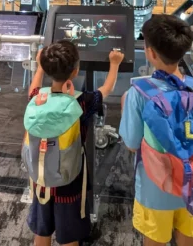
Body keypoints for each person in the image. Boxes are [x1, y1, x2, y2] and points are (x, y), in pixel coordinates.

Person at [119, 15, 193, 246]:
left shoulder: (138, 93)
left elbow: (131, 144)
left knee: (154, 239)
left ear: (149, 52)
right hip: (191, 185)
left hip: (154, 187)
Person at [24, 40, 124, 246]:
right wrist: (114, 64)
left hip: (41, 178)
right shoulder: (82, 102)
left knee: (41, 231)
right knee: (69, 235)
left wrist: (40, 68)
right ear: (75, 71)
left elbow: (32, 89)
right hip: (70, 180)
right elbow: (107, 88)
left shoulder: (38, 98)